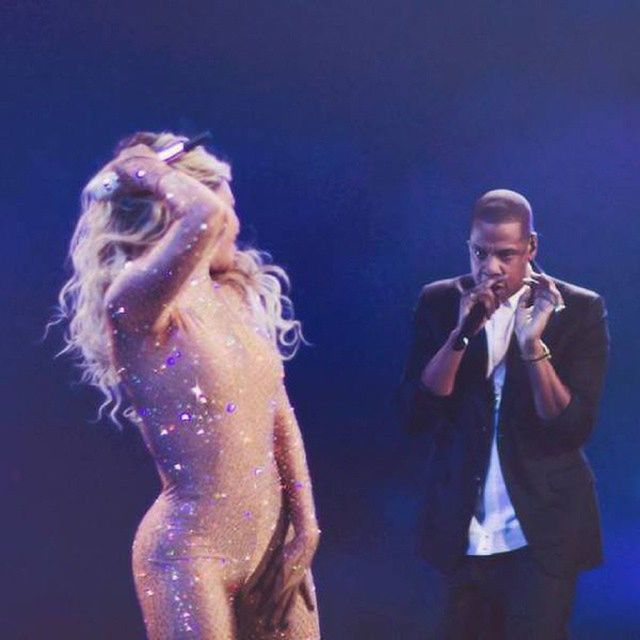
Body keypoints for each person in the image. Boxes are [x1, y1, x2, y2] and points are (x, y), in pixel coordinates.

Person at [55, 132, 321, 639]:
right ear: (179, 204)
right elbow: (206, 218)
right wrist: (140, 167)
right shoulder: (134, 303)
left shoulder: (232, 297)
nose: (234, 223)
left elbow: (277, 408)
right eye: (229, 202)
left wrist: (306, 525)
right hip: (190, 557)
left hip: (273, 544)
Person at [398, 189, 609, 639]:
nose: (490, 267)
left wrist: (532, 347)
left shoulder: (578, 310)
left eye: (505, 255)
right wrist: (462, 332)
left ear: (531, 247)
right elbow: (415, 416)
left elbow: (572, 428)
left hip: (541, 532)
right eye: (480, 252)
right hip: (462, 530)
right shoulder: (440, 302)